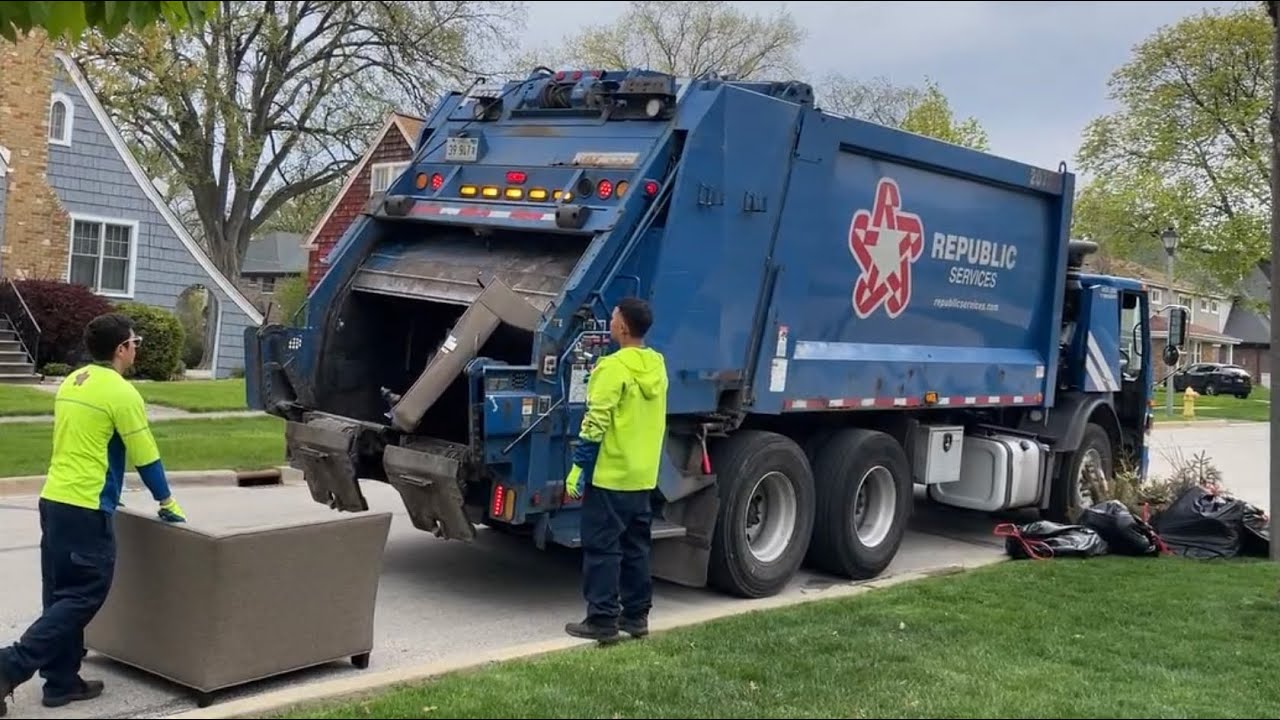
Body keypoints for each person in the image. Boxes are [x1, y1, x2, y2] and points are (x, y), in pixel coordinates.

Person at [0, 313, 186, 717]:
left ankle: (61, 682)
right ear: (121, 349)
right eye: (134, 342)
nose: (137, 348)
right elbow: (145, 455)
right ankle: (8, 666)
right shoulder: (120, 393)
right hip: (86, 508)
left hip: (54, 500)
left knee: (59, 595)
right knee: (84, 595)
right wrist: (167, 503)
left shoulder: (73, 381)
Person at [564, 297, 668, 643]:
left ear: (622, 326)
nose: (609, 323)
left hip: (611, 475)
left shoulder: (612, 368)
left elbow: (596, 422)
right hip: (643, 475)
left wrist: (579, 467)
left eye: (612, 319)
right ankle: (636, 617)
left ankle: (602, 620)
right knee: (637, 548)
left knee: (603, 548)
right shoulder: (657, 365)